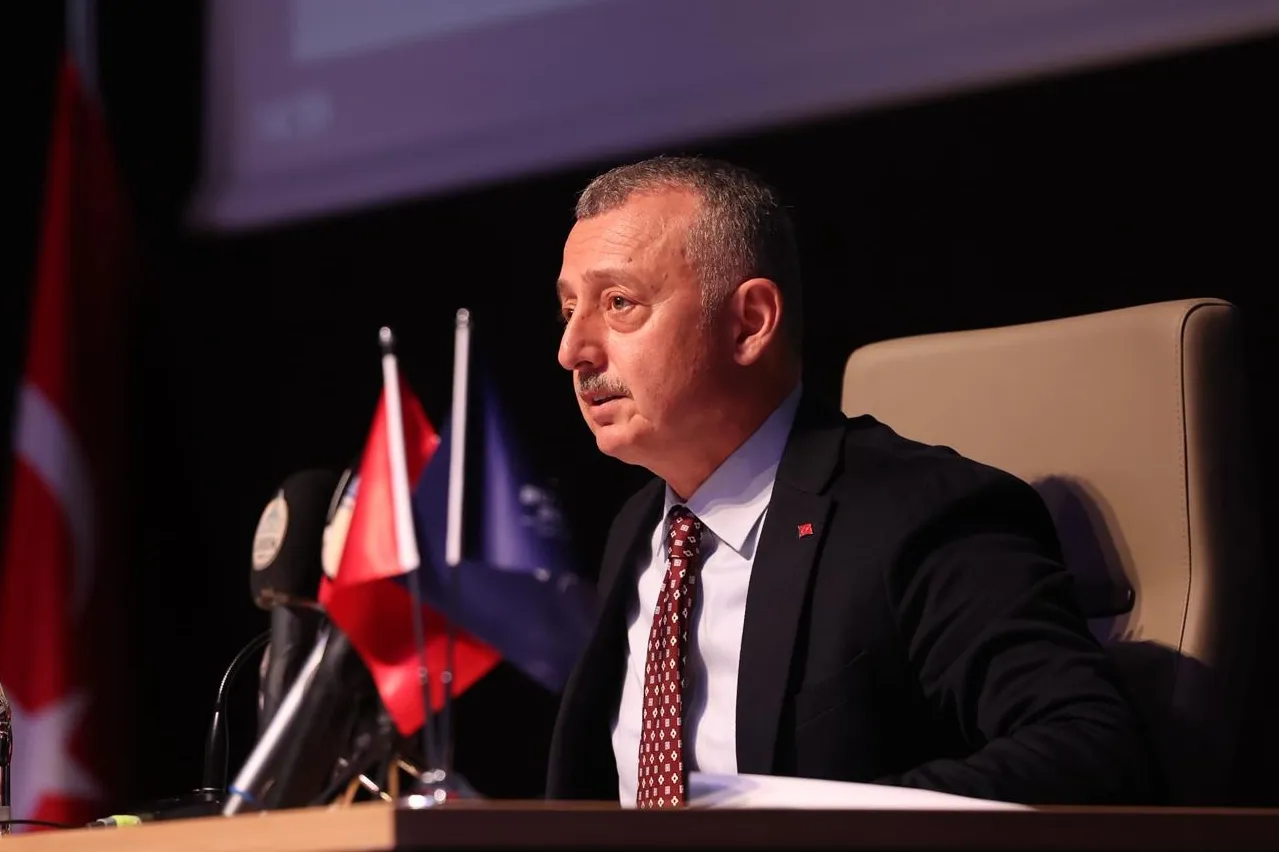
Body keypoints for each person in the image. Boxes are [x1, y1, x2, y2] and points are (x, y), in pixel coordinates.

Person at [545, 154, 1158, 808]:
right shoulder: (641, 530)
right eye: (568, 310)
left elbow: (1088, 751)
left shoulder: (920, 515)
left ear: (749, 322)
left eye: (618, 303)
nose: (572, 351)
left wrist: (800, 826)